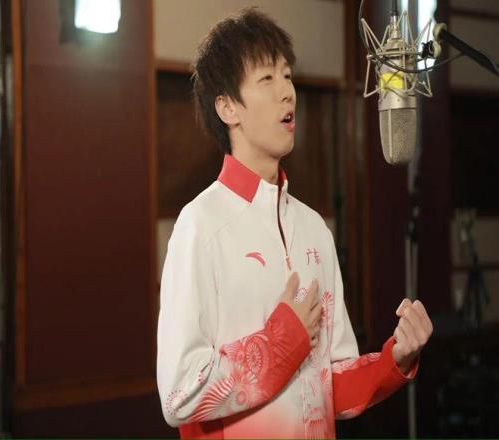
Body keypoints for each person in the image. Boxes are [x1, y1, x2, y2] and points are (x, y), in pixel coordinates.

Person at [157, 8, 433, 439]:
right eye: (267, 79)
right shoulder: (200, 226)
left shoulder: (313, 228)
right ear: (227, 107)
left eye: (287, 76)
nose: (287, 92)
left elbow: (331, 387)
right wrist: (282, 341)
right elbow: (179, 393)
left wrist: (394, 359)